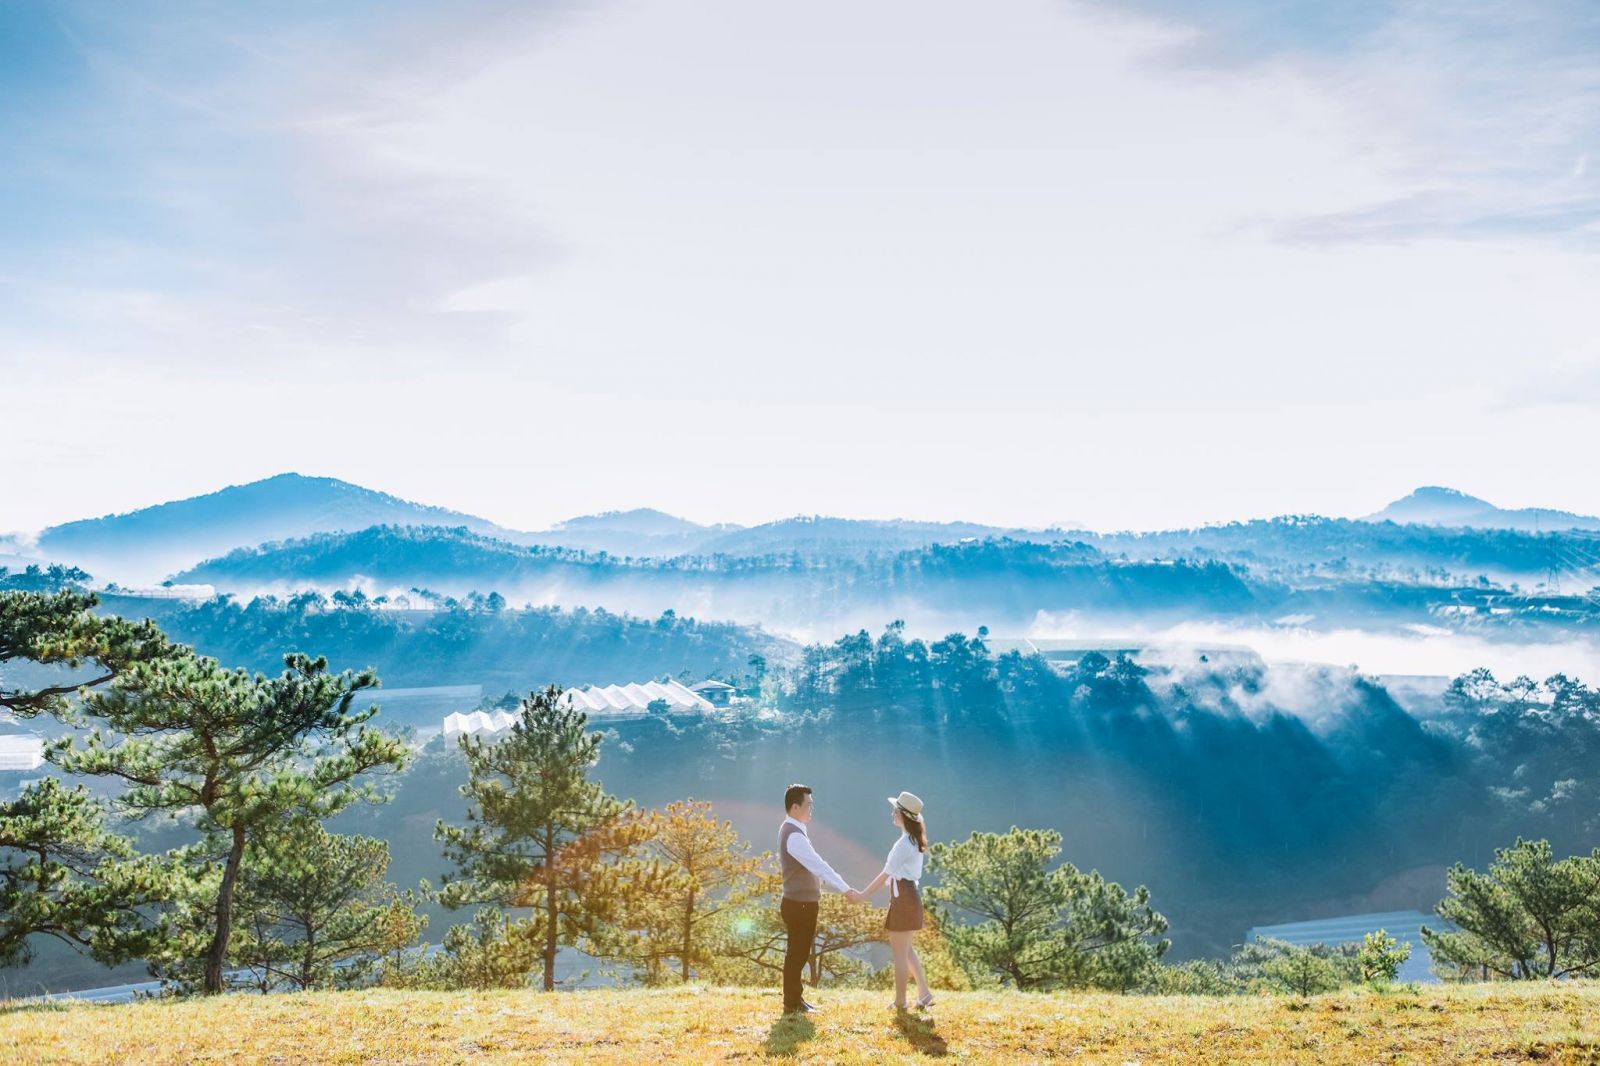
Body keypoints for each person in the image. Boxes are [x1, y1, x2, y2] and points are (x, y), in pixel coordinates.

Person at [777, 783, 863, 1015]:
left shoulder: (794, 830)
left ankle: (795, 999)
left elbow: (811, 868)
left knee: (799, 952)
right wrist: (846, 889)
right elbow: (819, 865)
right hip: (800, 905)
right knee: (797, 953)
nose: (811, 808)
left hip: (800, 903)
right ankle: (792, 1003)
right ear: (795, 807)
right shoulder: (794, 836)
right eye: (808, 804)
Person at [858, 790, 933, 1011]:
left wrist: (862, 895)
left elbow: (884, 876)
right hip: (910, 897)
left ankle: (901, 1002)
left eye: (895, 810)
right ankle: (924, 994)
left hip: (903, 899)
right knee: (907, 950)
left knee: (900, 953)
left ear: (903, 815)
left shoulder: (903, 845)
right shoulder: (913, 840)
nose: (892, 813)